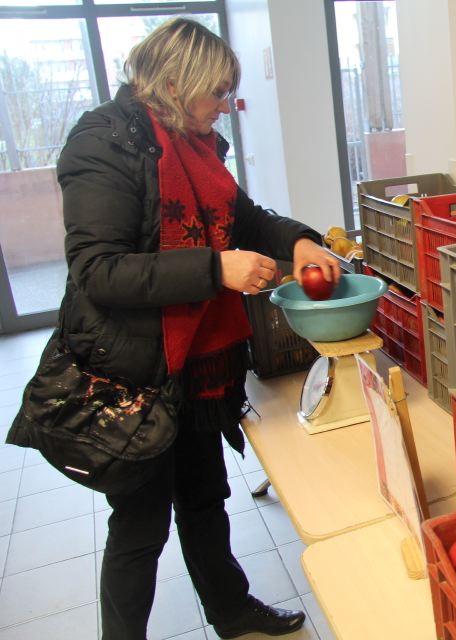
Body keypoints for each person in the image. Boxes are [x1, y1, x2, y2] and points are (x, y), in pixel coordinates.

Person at [5, 17, 339, 640]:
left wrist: (298, 242)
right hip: (136, 368)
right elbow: (99, 271)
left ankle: (231, 611)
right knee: (141, 526)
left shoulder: (199, 144)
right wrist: (216, 268)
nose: (226, 104)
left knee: (205, 500)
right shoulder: (103, 142)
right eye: (217, 91)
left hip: (200, 367)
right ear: (176, 80)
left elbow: (245, 216)